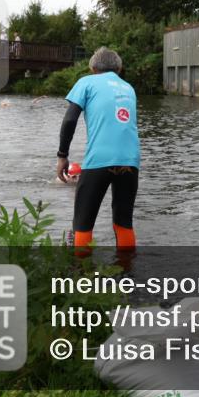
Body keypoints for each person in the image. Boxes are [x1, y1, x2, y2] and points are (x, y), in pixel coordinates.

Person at [56, 46, 141, 250]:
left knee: (83, 223)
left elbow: (69, 120)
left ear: (93, 68)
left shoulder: (86, 82)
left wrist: (62, 156)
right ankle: (126, 275)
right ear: (119, 69)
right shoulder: (128, 87)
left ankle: (82, 275)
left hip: (99, 161)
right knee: (123, 223)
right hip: (130, 161)